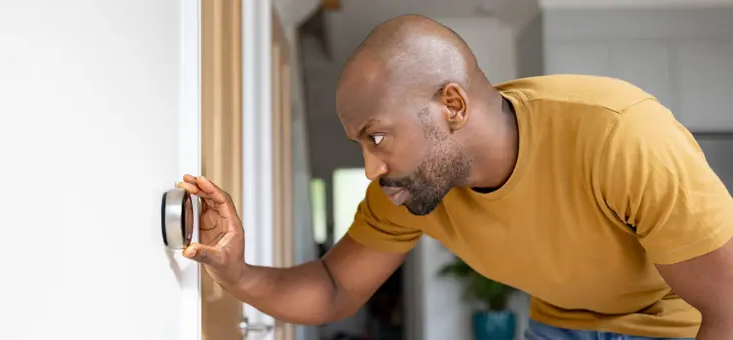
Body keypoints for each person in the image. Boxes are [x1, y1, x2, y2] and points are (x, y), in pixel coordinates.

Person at [177, 14, 733, 340]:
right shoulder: (404, 188)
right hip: (556, 326)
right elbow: (334, 288)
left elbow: (727, 303)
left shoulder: (619, 134)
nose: (372, 169)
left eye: (376, 136)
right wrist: (237, 271)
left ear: (453, 105)